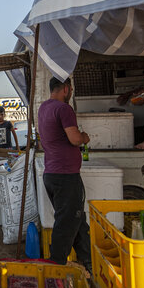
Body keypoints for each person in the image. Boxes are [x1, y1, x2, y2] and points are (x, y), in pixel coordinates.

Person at [38, 77, 92, 272]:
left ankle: (89, 261)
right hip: (66, 175)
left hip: (51, 173)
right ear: (66, 89)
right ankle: (56, 266)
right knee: (66, 223)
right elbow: (75, 138)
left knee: (76, 220)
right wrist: (85, 137)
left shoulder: (44, 107)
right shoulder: (64, 109)